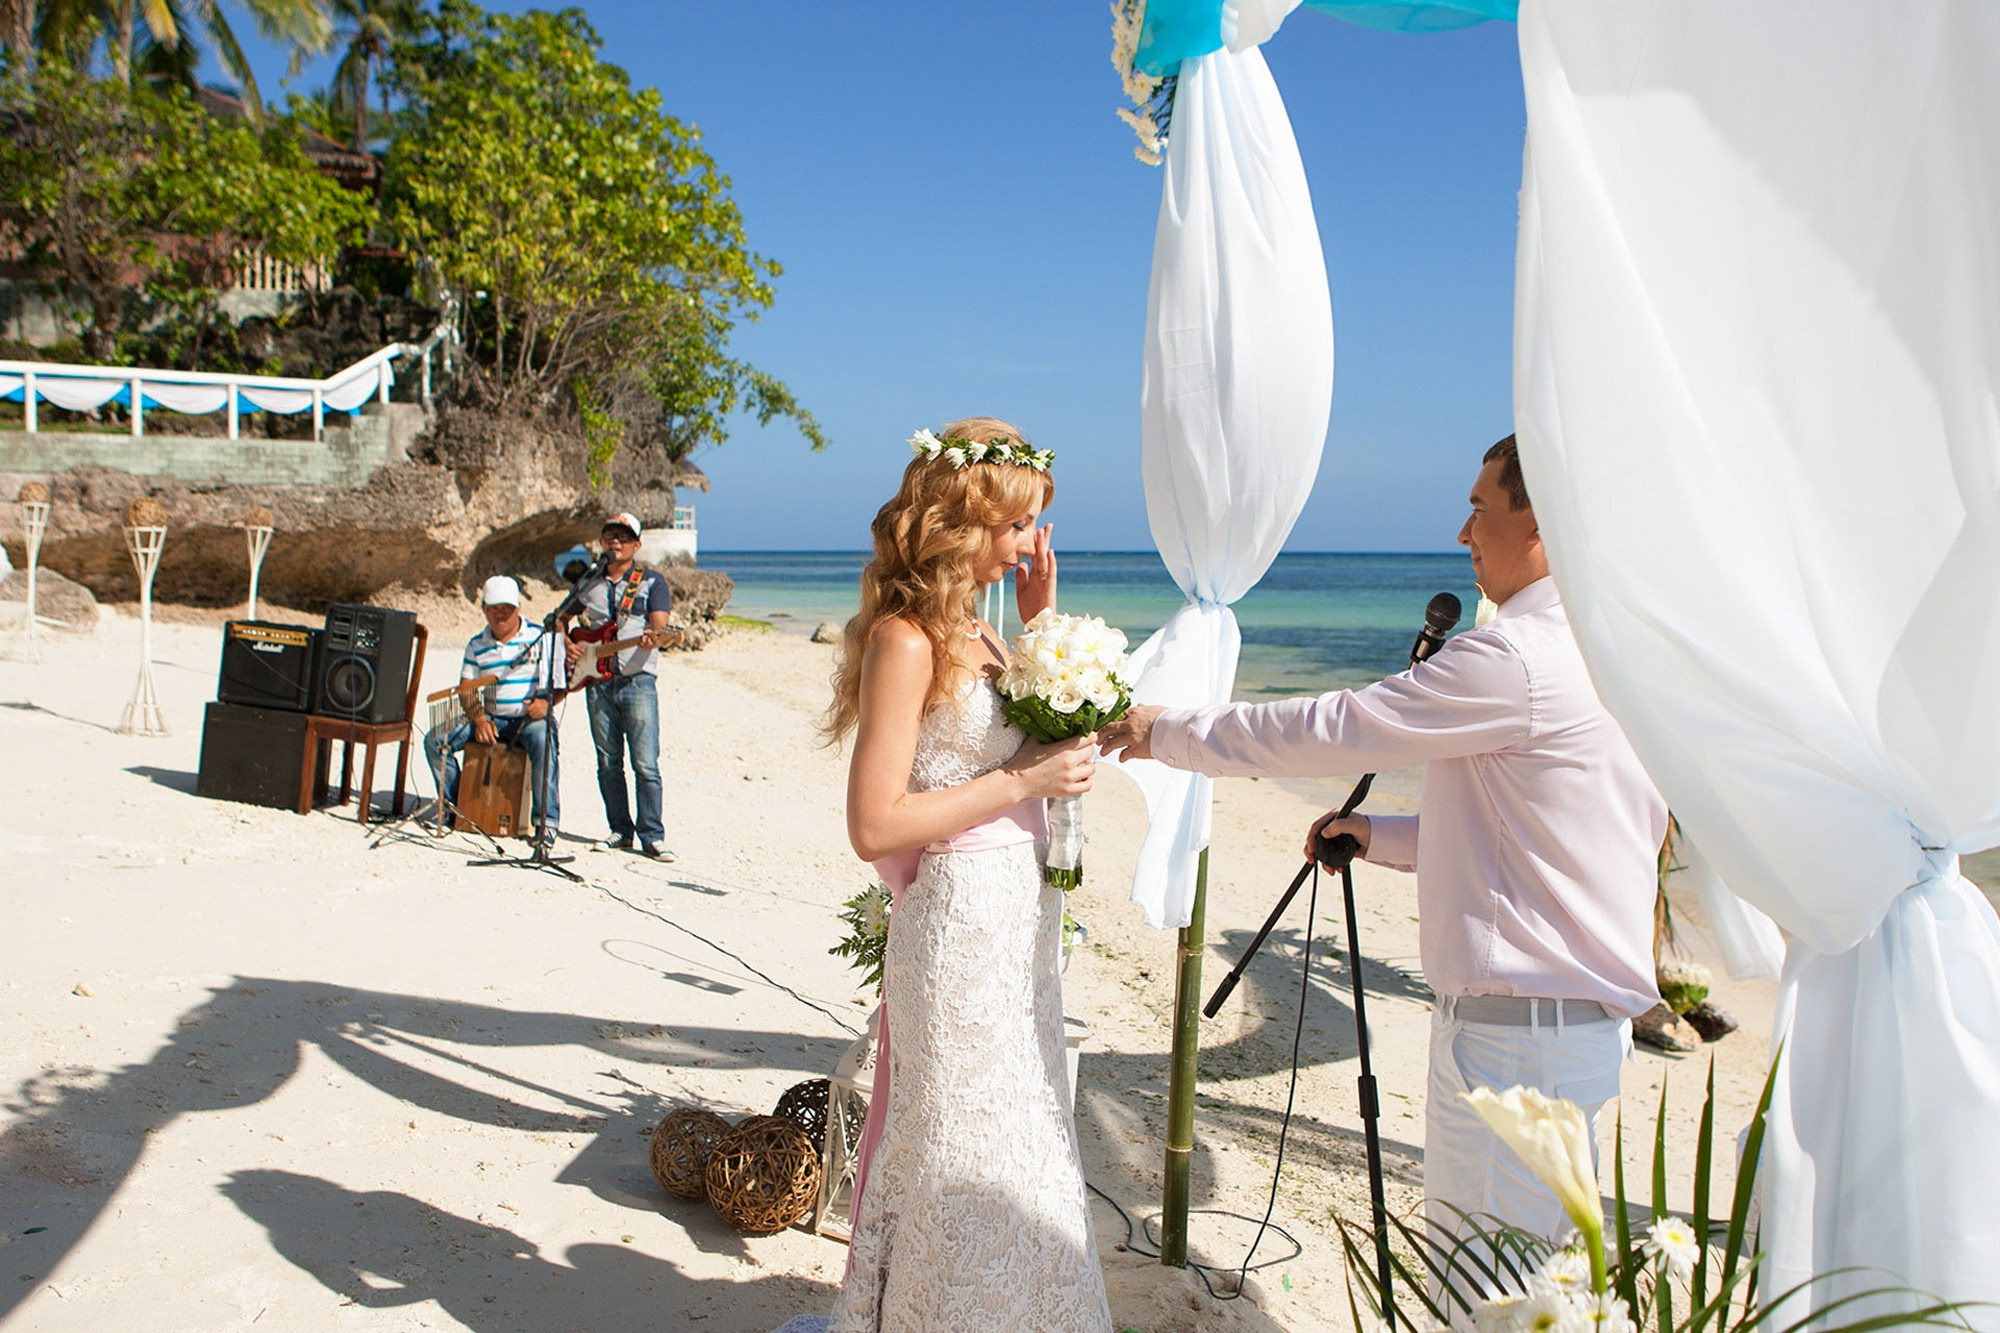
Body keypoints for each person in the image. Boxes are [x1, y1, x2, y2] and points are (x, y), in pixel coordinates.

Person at [1098, 436, 1667, 1248]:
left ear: (1540, 523)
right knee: (1531, 1286)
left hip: (1519, 1045)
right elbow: (1540, 838)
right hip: (1565, 1035)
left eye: (1479, 508)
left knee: (1486, 1285)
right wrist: (1377, 834)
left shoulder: (1518, 655)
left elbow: (1340, 728)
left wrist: (1169, 731)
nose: (1463, 535)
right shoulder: (1612, 651)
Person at [823, 419, 1111, 1332]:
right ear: (964, 522)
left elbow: (1038, 736)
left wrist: (1040, 630)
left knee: (1025, 1133)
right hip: (954, 933)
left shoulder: (986, 638)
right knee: (961, 1142)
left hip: (1017, 922)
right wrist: (1019, 781)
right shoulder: (908, 641)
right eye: (1020, 523)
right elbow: (873, 823)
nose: (1032, 541)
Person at [562, 512, 676, 859]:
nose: (616, 542)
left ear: (637, 545)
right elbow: (560, 618)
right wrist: (567, 643)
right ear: (601, 542)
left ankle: (652, 835)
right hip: (597, 682)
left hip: (637, 681)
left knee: (645, 763)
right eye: (610, 535)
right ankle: (619, 830)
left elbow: (661, 630)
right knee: (608, 761)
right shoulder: (589, 583)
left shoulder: (652, 582)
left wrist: (654, 639)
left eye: (624, 537)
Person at [425, 575, 561, 848]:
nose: (501, 615)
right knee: (435, 740)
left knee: (543, 741)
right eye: (494, 609)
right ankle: (455, 807)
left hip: (527, 717)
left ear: (518, 608)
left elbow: (559, 682)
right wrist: (479, 719)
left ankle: (546, 822)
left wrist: (546, 704)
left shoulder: (539, 637)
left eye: (507, 609)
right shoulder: (476, 644)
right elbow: (467, 689)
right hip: (489, 716)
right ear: (485, 609)